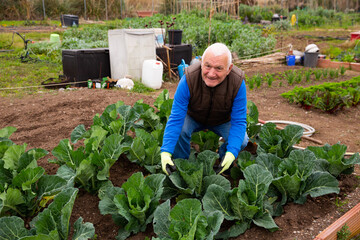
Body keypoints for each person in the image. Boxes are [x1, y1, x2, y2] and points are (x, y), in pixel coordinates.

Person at [160, 42, 248, 175]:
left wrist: (232, 153)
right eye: (207, 66)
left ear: (229, 69)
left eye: (219, 68)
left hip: (222, 120)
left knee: (242, 141)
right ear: (201, 63)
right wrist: (165, 152)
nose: (211, 73)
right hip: (193, 117)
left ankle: (224, 161)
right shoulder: (189, 79)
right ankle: (180, 166)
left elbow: (239, 121)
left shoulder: (237, 82)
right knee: (180, 130)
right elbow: (176, 118)